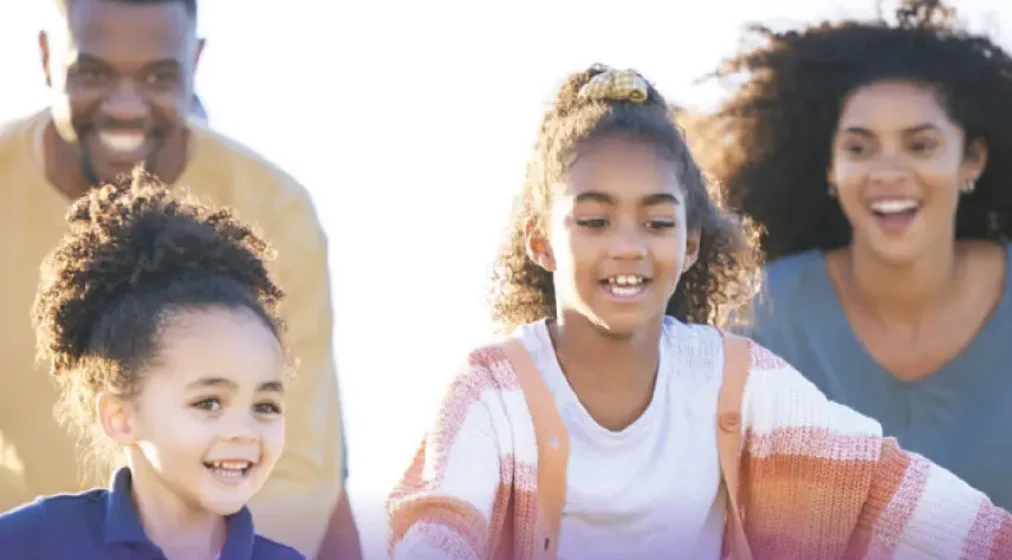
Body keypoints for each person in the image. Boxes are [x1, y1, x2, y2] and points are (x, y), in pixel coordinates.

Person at [385, 64, 1012, 559]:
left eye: (656, 221)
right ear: (541, 241)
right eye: (595, 220)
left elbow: (889, 492)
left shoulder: (737, 384)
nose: (628, 245)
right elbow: (435, 530)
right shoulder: (491, 393)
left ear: (688, 245)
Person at [0, 0, 360, 557]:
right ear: (48, 57)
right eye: (92, 72)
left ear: (194, 63)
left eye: (158, 76)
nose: (124, 106)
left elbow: (305, 467)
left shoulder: (275, 209)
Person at [689, 0, 1012, 510]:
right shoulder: (765, 313)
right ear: (830, 168)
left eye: (920, 145)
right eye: (860, 148)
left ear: (971, 159)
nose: (888, 172)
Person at [0, 172, 302, 559]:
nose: (244, 432)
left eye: (265, 407)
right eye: (209, 402)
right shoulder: (33, 543)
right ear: (121, 417)